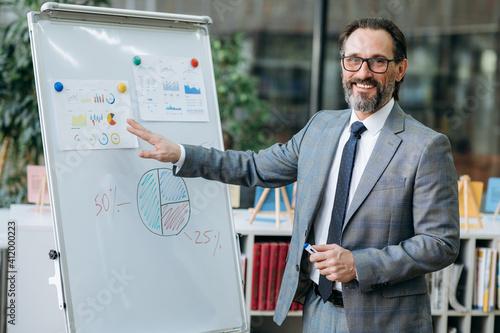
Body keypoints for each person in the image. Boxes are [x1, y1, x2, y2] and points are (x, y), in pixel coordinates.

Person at [127, 17, 459, 333]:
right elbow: (255, 167)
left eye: (377, 62)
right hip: (318, 307)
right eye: (353, 60)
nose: (363, 72)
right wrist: (182, 153)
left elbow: (440, 243)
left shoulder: (426, 146)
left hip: (385, 321)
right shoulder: (321, 127)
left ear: (399, 69)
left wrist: (359, 264)